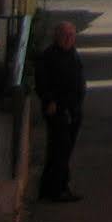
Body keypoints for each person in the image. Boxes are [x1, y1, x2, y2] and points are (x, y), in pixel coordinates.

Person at [36, 19, 86, 203]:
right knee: (59, 150)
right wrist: (49, 101)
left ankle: (50, 188)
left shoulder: (73, 55)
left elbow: (78, 80)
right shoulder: (49, 56)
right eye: (65, 35)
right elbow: (42, 82)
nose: (68, 39)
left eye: (71, 35)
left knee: (64, 150)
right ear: (56, 37)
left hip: (73, 110)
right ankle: (58, 188)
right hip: (58, 110)